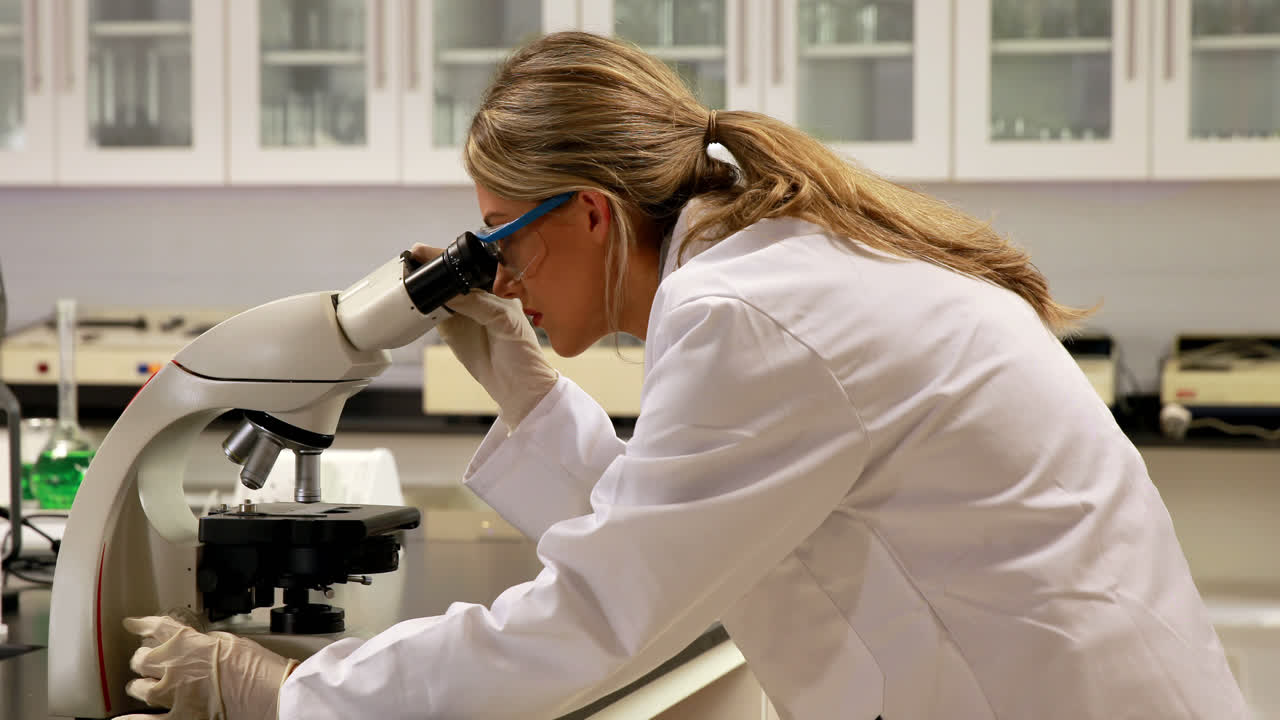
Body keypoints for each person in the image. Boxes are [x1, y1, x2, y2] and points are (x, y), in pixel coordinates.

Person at [121, 31, 1247, 720]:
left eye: (501, 237)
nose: (499, 277)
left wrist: (293, 697)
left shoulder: (745, 313)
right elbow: (678, 533)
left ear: (596, 214)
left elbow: (602, 611)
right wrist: (531, 398)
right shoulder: (781, 267)